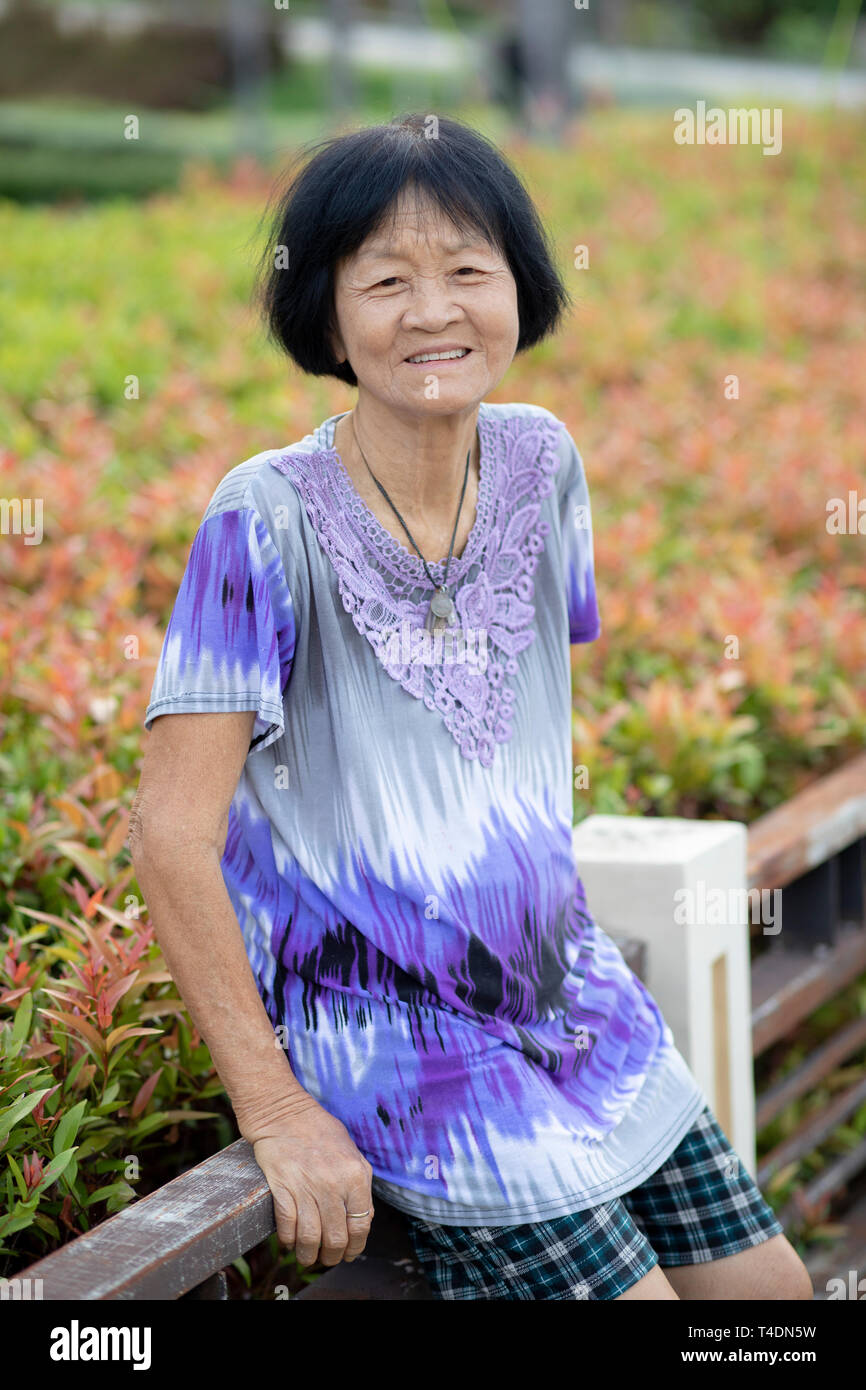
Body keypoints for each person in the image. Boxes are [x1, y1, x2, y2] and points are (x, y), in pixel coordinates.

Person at [129, 113, 812, 1301]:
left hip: (574, 998)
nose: (432, 310)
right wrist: (278, 1110)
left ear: (519, 287)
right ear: (328, 314)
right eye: (385, 279)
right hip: (407, 1052)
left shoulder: (544, 460)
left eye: (465, 270)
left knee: (771, 1302)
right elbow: (169, 836)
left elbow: (511, 721)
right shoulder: (261, 517)